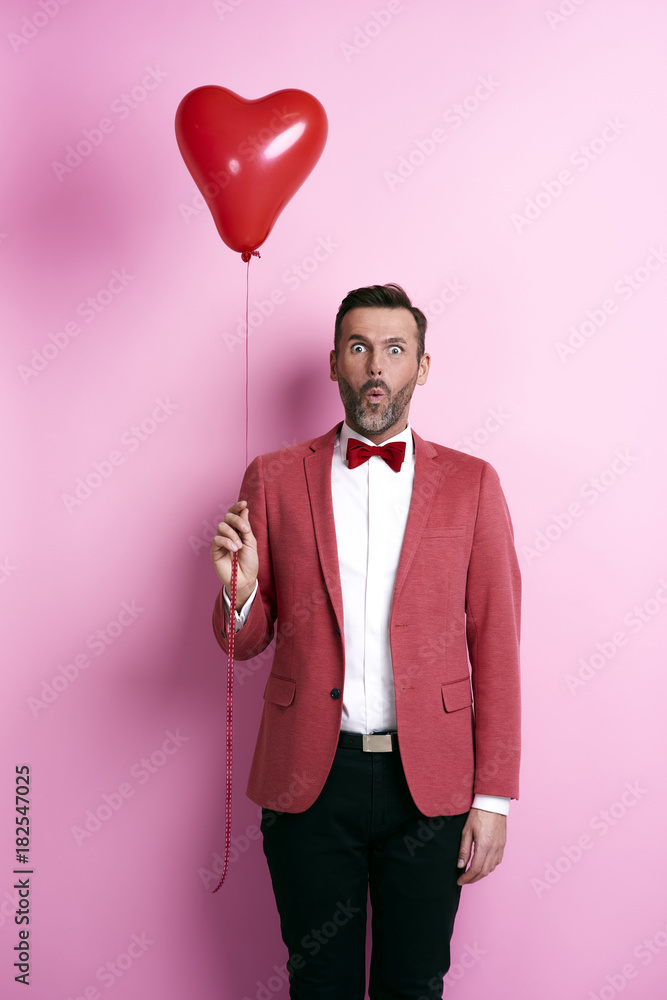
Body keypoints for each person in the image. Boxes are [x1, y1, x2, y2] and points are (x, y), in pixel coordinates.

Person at [210, 283, 521, 1000]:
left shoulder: (473, 485)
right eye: (358, 348)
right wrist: (242, 589)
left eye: (392, 349)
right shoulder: (274, 478)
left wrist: (494, 797)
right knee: (317, 982)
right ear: (332, 364)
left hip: (431, 787)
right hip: (309, 783)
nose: (374, 366)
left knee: (414, 984)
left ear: (421, 365)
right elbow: (243, 643)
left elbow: (497, 644)